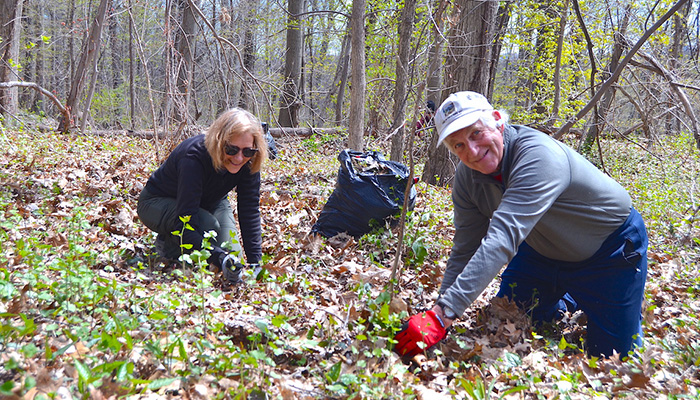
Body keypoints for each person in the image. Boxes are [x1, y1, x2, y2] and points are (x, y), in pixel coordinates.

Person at [394, 91, 648, 359]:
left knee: (614, 357)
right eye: (458, 145)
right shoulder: (467, 181)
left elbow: (502, 238)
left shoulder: (538, 156)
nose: (472, 151)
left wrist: (445, 314)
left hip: (609, 252)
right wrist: (440, 311)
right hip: (541, 250)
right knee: (511, 318)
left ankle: (597, 299)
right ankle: (567, 297)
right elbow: (465, 246)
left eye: (476, 134)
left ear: (497, 122)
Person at [137, 108, 268, 284]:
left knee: (234, 256)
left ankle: (186, 244)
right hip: (156, 202)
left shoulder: (249, 158)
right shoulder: (193, 156)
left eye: (247, 151)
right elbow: (186, 221)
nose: (239, 158)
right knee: (209, 227)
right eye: (231, 149)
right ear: (219, 141)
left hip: (211, 201)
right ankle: (168, 244)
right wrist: (219, 258)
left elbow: (249, 208)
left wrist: (255, 263)